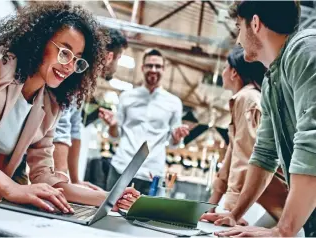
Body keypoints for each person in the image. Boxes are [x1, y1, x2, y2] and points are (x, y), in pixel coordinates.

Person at [0, 2, 138, 214]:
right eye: (64, 52)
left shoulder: (50, 105)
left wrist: (110, 198)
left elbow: (44, 176)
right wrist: (12, 189)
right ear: (39, 41)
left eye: (77, 60)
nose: (69, 66)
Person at [201, 1, 316, 237]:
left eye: (238, 28)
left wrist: (282, 231)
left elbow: (313, 141)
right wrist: (234, 213)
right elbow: (264, 153)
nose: (238, 40)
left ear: (255, 23)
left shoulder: (305, 50)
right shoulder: (273, 81)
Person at [201, 46, 288, 226]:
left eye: (225, 67)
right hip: (268, 200)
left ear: (234, 72)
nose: (223, 71)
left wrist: (233, 211)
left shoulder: (247, 99)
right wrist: (210, 205)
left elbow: (245, 157)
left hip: (271, 200)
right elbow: (230, 158)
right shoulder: (245, 98)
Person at [99, 48, 190, 195]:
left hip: (152, 173)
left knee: (147, 216)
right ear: (142, 68)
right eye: (149, 65)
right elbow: (114, 135)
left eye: (158, 66)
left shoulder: (174, 103)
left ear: (164, 69)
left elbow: (173, 144)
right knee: (110, 213)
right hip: (122, 168)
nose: (153, 69)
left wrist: (177, 137)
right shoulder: (127, 97)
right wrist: (113, 125)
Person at [53, 28, 128, 190]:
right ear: (110, 57)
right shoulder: (74, 77)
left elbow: (74, 129)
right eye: (119, 58)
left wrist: (75, 180)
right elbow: (61, 128)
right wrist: (62, 182)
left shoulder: (84, 83)